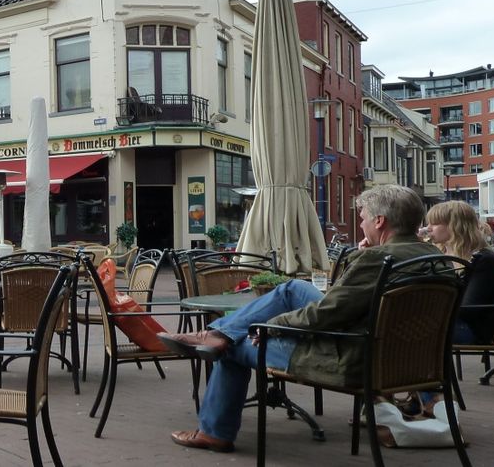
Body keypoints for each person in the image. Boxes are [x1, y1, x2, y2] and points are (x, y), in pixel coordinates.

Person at [158, 184, 441, 453]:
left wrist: (272, 327)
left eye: (364, 219)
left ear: (380, 222)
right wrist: (364, 256)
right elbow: (355, 303)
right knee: (294, 288)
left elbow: (327, 314)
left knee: (235, 345)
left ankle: (214, 431)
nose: (361, 225)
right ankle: (219, 334)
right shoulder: (437, 260)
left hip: (351, 357)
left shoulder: (377, 261)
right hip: (404, 361)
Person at [425, 200, 494, 344]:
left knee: (404, 331)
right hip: (451, 323)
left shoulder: (484, 259)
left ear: (455, 226)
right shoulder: (442, 256)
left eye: (434, 223)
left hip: (471, 329)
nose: (428, 228)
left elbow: (469, 309)